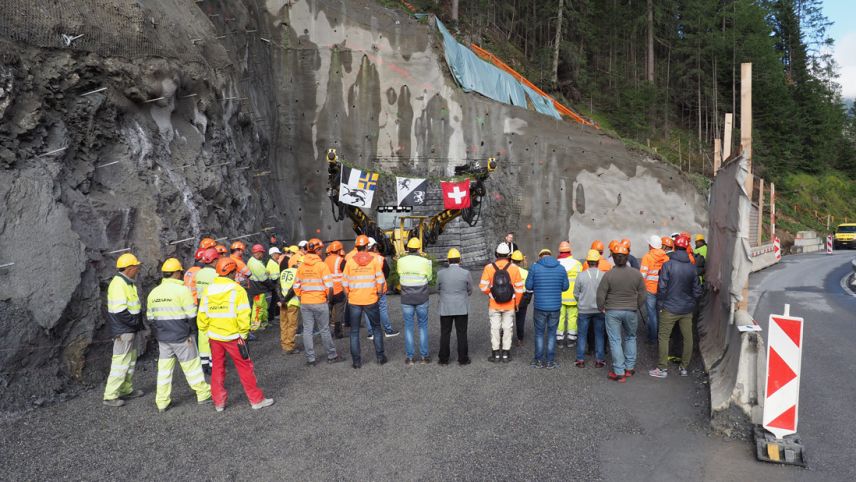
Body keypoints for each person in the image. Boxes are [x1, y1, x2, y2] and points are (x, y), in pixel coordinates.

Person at [197, 257, 274, 411]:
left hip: (214, 336)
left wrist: (207, 330)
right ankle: (256, 400)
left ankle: (219, 403)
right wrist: (244, 334)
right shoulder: (237, 289)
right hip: (234, 337)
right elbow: (244, 314)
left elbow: (202, 315)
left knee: (217, 368)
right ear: (231, 272)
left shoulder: (209, 289)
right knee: (245, 367)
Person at [147, 258, 211, 412]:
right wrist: (190, 332)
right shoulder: (182, 291)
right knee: (192, 367)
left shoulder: (153, 293)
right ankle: (203, 394)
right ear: (176, 273)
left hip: (163, 338)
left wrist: (162, 332)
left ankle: (162, 402)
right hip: (182, 337)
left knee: (164, 370)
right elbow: (191, 315)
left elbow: (150, 318)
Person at [649, 235, 703, 378]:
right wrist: (691, 303)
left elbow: (661, 288)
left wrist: (661, 305)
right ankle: (684, 368)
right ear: (686, 248)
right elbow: (697, 290)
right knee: (688, 338)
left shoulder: (668, 265)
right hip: (686, 309)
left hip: (669, 308)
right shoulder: (692, 267)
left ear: (674, 247)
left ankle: (662, 369)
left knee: (664, 337)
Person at [596, 243, 647, 383]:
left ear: (613, 257)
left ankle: (619, 372)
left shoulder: (608, 275)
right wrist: (636, 305)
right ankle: (629, 368)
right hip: (631, 311)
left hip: (612, 311)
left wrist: (601, 307)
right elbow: (643, 293)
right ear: (627, 257)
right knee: (631, 337)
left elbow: (601, 295)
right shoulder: (636, 274)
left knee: (615, 340)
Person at [103, 253, 146, 407]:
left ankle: (126, 390)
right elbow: (120, 311)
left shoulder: (128, 283)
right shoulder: (118, 284)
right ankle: (110, 396)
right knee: (120, 362)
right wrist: (135, 323)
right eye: (136, 267)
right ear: (129, 268)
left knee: (129, 361)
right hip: (124, 330)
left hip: (129, 330)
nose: (138, 270)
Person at [293, 239, 344, 366]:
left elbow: (296, 286)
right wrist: (328, 299)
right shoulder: (322, 266)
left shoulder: (301, 267)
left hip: (305, 303)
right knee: (325, 330)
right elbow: (330, 286)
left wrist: (301, 297)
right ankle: (332, 356)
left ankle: (311, 359)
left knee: (307, 330)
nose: (321, 251)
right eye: (320, 248)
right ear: (316, 250)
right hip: (320, 302)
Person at [342, 235, 387, 368]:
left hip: (354, 301)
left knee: (354, 332)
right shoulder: (374, 261)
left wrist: (349, 296)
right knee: (377, 328)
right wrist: (378, 294)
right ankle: (380, 357)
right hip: (371, 300)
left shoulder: (350, 262)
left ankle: (356, 362)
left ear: (356, 247)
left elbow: (344, 283)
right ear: (367, 246)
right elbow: (380, 281)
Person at [480, 243, 525, 363]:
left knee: (495, 328)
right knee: (507, 328)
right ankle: (506, 354)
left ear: (496, 254)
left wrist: (492, 295)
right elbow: (520, 289)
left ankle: (495, 354)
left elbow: (483, 286)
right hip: (509, 305)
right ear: (508, 255)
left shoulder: (489, 267)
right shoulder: (514, 268)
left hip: (494, 305)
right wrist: (516, 303)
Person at [525, 248, 569, 368]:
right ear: (551, 256)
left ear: (540, 257)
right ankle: (550, 361)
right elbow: (565, 287)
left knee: (539, 333)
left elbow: (528, 285)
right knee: (551, 333)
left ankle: (538, 361)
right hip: (555, 307)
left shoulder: (535, 268)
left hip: (540, 306)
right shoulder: (561, 268)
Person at [397, 237, 433, 365]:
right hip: (422, 297)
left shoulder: (401, 261)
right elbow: (429, 278)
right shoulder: (425, 261)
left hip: (406, 297)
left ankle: (410, 358)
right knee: (423, 326)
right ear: (418, 249)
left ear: (408, 249)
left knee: (408, 327)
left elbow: (400, 274)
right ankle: (424, 357)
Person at [437, 248, 473, 365]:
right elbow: (470, 290)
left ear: (448, 260)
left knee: (445, 333)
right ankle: (463, 359)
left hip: (445, 306)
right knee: (462, 333)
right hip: (461, 306)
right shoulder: (465, 273)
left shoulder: (440, 273)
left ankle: (443, 359)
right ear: (460, 260)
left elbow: (437, 288)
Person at [573, 250, 606, 368]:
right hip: (599, 309)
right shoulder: (603, 275)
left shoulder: (581, 275)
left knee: (582, 334)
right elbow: (607, 293)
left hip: (584, 310)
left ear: (587, 261)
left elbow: (576, 293)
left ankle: (580, 360)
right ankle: (599, 360)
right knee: (599, 334)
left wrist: (581, 302)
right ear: (598, 262)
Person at [365, 237, 399, 339]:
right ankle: (388, 330)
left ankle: (371, 333)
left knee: (367, 311)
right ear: (374, 247)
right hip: (380, 289)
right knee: (382, 309)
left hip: (367, 289)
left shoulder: (360, 259)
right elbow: (386, 273)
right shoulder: (380, 259)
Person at [194, 247, 221, 373]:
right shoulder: (216, 275)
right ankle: (212, 364)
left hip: (201, 306)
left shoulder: (199, 273)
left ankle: (204, 362)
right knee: (214, 336)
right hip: (213, 307)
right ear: (214, 260)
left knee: (203, 335)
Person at [639, 235, 669, 344]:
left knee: (652, 315)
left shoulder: (647, 257)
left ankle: (653, 338)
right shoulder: (666, 257)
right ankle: (661, 337)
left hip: (650, 289)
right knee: (659, 313)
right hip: (662, 289)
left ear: (651, 245)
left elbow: (642, 275)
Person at [556, 241, 582, 348]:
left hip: (559, 297)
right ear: (570, 250)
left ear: (559, 251)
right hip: (573, 297)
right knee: (572, 317)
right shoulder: (577, 264)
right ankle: (571, 339)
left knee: (560, 317)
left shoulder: (555, 264)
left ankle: (559, 340)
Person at [278, 255, 302, 354]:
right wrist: (286, 299)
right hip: (292, 302)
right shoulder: (298, 273)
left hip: (282, 302)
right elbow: (294, 289)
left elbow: (278, 286)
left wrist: (281, 299)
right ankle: (290, 347)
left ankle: (284, 345)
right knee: (292, 325)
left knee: (284, 324)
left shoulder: (284, 272)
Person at [325, 241, 347, 339]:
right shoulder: (341, 260)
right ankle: (338, 333)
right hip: (339, 291)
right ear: (339, 250)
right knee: (338, 313)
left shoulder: (325, 260)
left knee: (328, 313)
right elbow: (347, 275)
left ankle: (327, 333)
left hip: (328, 291)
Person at [247, 244, 271, 331]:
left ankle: (264, 322)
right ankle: (255, 326)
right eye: (262, 253)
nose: (263, 255)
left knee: (263, 306)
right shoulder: (255, 263)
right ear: (258, 252)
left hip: (259, 288)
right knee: (258, 308)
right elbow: (263, 278)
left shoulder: (254, 261)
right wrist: (271, 286)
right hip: (257, 289)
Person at [511, 250, 531, 346]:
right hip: (522, 297)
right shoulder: (525, 272)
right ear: (521, 261)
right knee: (520, 319)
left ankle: (506, 337)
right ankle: (520, 338)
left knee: (507, 318)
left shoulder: (508, 270)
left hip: (509, 297)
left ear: (511, 260)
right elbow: (529, 287)